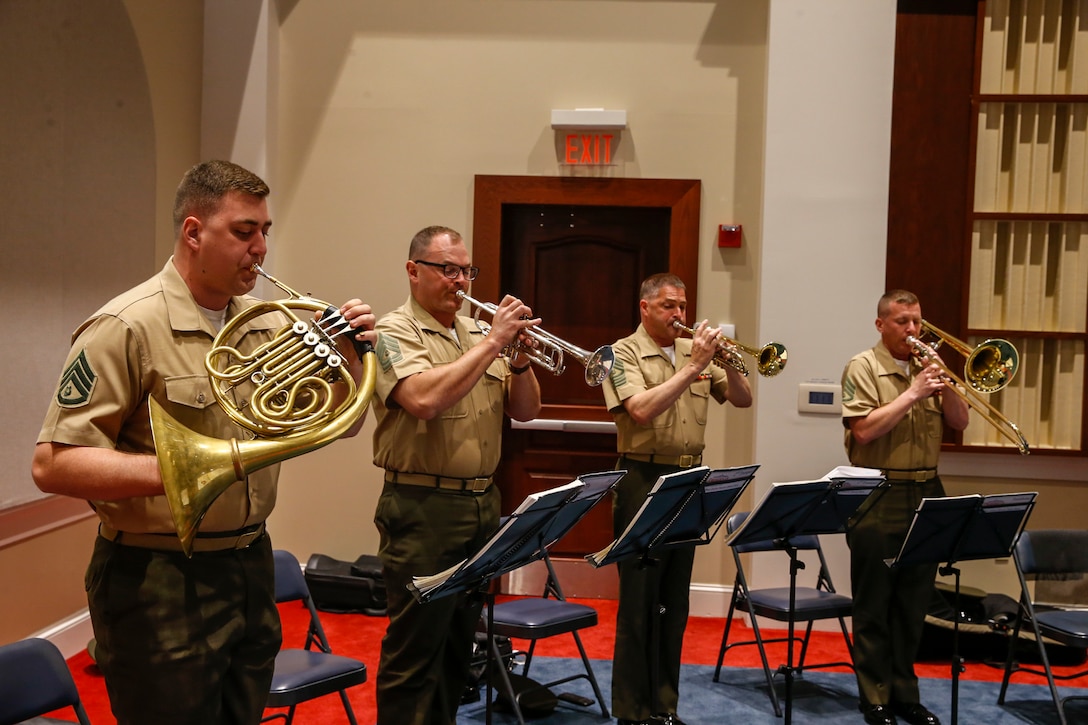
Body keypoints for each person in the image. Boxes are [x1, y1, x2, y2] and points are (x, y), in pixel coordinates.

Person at [31, 159, 377, 725]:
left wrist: (347, 357)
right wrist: (182, 471)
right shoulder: (127, 325)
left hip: (249, 561)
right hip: (158, 576)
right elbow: (54, 464)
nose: (260, 248)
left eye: (265, 232)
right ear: (194, 233)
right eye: (244, 232)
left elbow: (346, 422)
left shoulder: (267, 325)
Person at [370, 225, 542, 725]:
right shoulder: (392, 331)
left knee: (456, 649)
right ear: (413, 270)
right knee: (414, 652)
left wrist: (523, 360)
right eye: (448, 269)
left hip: (481, 504)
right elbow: (422, 400)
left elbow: (527, 412)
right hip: (423, 508)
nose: (460, 281)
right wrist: (494, 342)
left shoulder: (473, 334)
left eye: (467, 270)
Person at [601, 272, 752, 725]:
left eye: (683, 307)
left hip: (689, 477)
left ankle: (665, 707)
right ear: (644, 307)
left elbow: (742, 400)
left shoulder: (696, 352)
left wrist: (731, 361)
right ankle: (632, 711)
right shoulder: (618, 353)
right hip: (642, 476)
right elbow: (641, 410)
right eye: (669, 306)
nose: (679, 316)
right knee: (639, 601)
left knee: (674, 601)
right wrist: (692, 369)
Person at [841, 289, 969, 725]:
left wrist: (945, 381)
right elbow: (863, 432)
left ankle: (904, 694)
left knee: (915, 602)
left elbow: (961, 420)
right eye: (902, 322)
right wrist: (913, 392)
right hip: (879, 491)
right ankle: (874, 696)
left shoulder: (929, 366)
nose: (913, 331)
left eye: (917, 321)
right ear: (881, 324)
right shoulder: (863, 367)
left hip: (927, 490)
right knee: (875, 601)